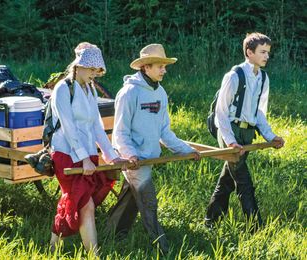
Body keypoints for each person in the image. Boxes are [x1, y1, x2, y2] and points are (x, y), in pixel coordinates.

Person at [107, 43, 200, 254]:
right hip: (135, 159)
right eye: (160, 66)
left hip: (148, 158)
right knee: (149, 203)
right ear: (145, 67)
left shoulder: (161, 93)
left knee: (129, 200)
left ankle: (111, 235)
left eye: (164, 66)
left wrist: (186, 150)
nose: (164, 70)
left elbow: (165, 132)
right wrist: (130, 155)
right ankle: (164, 248)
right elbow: (120, 132)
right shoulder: (129, 93)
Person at [49, 42, 126, 255]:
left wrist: (111, 156)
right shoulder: (63, 89)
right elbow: (68, 127)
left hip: (87, 155)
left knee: (75, 199)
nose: (95, 74)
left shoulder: (90, 89)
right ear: (79, 66)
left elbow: (96, 126)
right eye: (92, 69)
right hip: (66, 153)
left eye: (97, 70)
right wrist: (83, 158)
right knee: (85, 204)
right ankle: (94, 255)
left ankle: (53, 246)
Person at [205, 33, 285, 230]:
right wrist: (230, 141)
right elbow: (221, 113)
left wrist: (270, 136)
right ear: (249, 52)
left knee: (227, 181)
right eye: (262, 52)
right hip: (229, 131)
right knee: (243, 181)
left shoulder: (263, 78)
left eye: (268, 52)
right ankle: (256, 227)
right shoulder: (234, 76)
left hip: (247, 134)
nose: (267, 56)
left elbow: (259, 112)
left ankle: (210, 221)